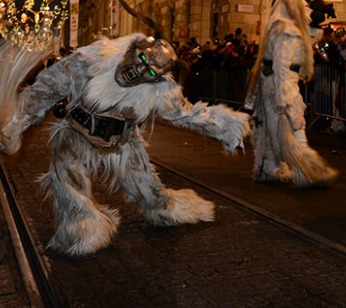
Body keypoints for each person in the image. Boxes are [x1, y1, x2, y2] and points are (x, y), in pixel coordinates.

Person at [0, 32, 250, 256]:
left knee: (152, 196)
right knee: (68, 184)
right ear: (133, 50)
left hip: (123, 144)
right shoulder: (89, 60)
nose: (139, 72)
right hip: (76, 135)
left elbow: (184, 114)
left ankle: (167, 209)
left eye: (150, 73)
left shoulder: (161, 88)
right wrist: (16, 123)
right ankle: (81, 230)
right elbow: (44, 90)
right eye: (141, 61)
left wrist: (226, 125)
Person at [245, 0, 339, 187]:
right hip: (281, 82)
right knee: (291, 125)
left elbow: (308, 40)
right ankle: (305, 169)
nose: (306, 8)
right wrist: (284, 93)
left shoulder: (285, 25)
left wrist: (316, 21)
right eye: (303, 4)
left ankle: (271, 166)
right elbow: (282, 61)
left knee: (276, 125)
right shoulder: (284, 28)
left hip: (280, 81)